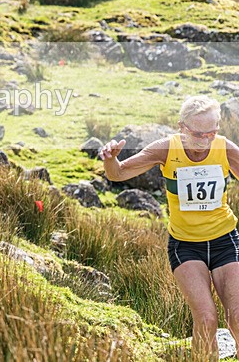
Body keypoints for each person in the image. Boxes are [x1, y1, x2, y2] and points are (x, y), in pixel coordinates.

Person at [100, 95, 239, 360]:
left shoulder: (224, 148)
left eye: (211, 133)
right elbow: (117, 173)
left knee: (238, 318)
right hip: (186, 246)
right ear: (181, 127)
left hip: (225, 241)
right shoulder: (166, 149)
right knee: (206, 318)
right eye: (197, 134)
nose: (204, 141)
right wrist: (110, 159)